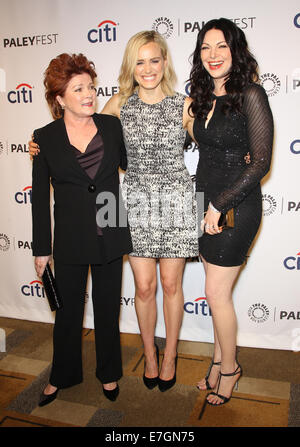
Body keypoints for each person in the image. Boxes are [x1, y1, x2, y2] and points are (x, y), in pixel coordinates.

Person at [30, 31, 198, 393]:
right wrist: (39, 146)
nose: (148, 68)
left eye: (155, 60)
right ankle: (148, 357)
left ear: (165, 63)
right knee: (143, 286)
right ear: (130, 67)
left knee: (171, 285)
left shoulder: (185, 105)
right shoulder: (118, 106)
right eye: (140, 61)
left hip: (175, 202)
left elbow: (214, 146)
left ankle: (169, 356)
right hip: (132, 203)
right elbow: (83, 132)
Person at [32, 53, 132, 406]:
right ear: (60, 99)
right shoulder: (43, 138)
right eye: (79, 89)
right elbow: (40, 199)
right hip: (71, 238)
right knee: (68, 313)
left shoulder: (110, 125)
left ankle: (109, 374)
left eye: (90, 86)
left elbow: (131, 165)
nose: (89, 93)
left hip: (110, 228)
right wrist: (41, 248)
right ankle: (62, 375)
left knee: (108, 310)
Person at [187, 18, 273, 405]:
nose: (213, 55)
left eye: (221, 46)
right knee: (216, 294)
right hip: (202, 203)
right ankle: (218, 361)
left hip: (234, 206)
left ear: (235, 50)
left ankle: (231, 369)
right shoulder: (202, 99)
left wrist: (219, 205)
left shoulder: (250, 95)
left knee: (214, 293)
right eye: (206, 47)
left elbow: (261, 163)